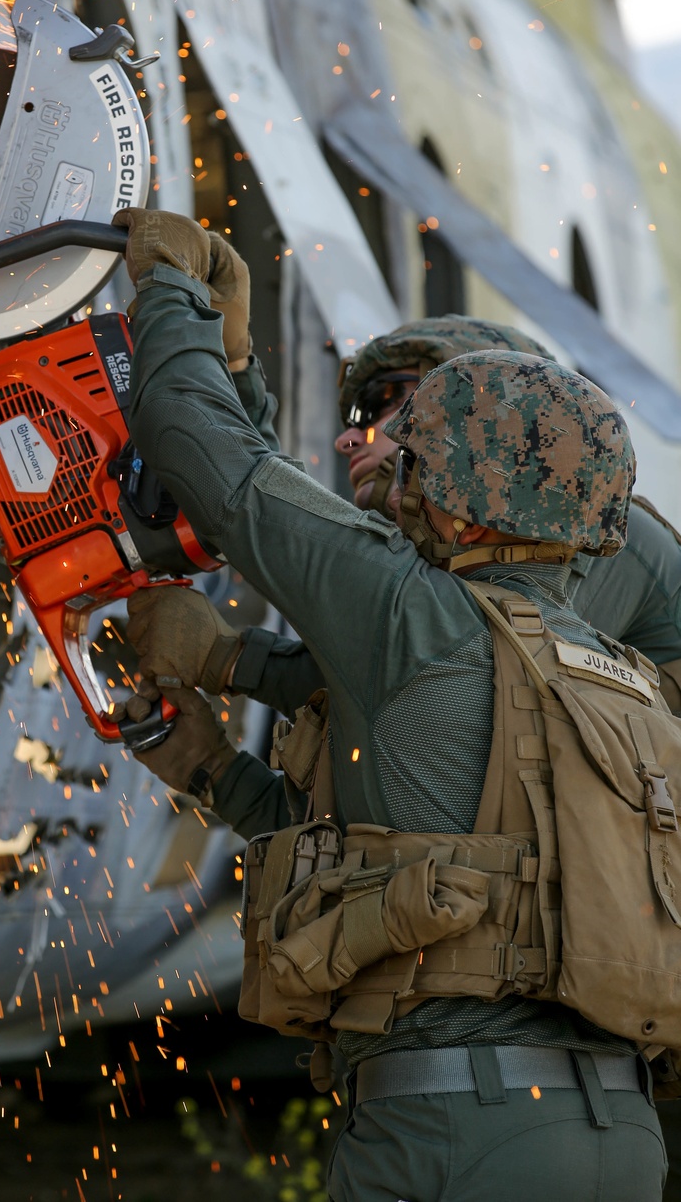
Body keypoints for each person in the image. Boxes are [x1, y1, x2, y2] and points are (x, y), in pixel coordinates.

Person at [110, 207, 670, 1202]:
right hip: (618, 1140)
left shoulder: (415, 619)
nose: (377, 451)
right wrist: (213, 766)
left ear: (461, 483)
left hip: (447, 1126)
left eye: (407, 434)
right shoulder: (618, 685)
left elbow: (207, 457)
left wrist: (169, 292)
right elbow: (401, 856)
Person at [141, 315, 681, 722]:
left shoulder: (576, 543)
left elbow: (413, 672)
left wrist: (233, 659)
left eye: (382, 402)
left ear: (486, 414)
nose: (349, 436)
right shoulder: (476, 551)